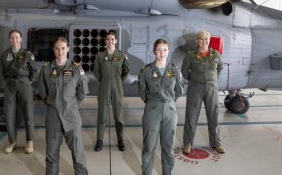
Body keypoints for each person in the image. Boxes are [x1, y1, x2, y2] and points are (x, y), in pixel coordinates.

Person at [38, 37, 89, 175]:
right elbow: (43, 92)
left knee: (78, 155)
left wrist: (71, 106)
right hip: (53, 118)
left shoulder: (76, 69)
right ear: (53, 50)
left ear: (68, 49)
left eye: (62, 48)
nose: (60, 51)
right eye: (57, 48)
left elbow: (82, 93)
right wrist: (53, 104)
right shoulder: (46, 69)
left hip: (72, 118)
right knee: (51, 156)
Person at [138, 38, 184, 175]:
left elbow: (179, 90)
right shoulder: (146, 71)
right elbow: (142, 91)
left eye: (164, 50)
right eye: (159, 50)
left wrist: (169, 101)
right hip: (152, 110)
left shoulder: (174, 70)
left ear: (168, 51)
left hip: (170, 112)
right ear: (154, 52)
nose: (161, 53)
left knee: (168, 148)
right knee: (148, 147)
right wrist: (153, 102)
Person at [181, 30, 225, 154]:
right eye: (201, 39)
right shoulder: (190, 55)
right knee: (191, 115)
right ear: (197, 41)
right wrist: (195, 80)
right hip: (195, 87)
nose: (204, 41)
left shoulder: (215, 54)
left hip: (211, 88)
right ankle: (187, 143)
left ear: (209, 40)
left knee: (213, 114)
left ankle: (216, 143)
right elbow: (185, 72)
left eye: (206, 39)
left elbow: (219, 68)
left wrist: (211, 79)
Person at [0, 29, 38, 154]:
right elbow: (3, 71)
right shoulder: (5, 54)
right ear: (9, 40)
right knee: (9, 114)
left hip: (24, 84)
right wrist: (9, 81)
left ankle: (29, 142)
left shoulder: (27, 54)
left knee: (28, 114)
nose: (14, 40)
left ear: (21, 39)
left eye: (17, 37)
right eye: (12, 37)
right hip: (10, 85)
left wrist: (28, 82)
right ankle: (12, 141)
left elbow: (34, 70)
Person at [93, 31, 130, 152]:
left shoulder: (122, 55)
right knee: (101, 115)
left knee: (118, 115)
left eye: (112, 39)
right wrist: (105, 80)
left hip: (117, 85)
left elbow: (126, 71)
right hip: (104, 85)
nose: (110, 41)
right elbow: (96, 72)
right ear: (105, 41)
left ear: (116, 41)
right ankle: (99, 140)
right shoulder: (99, 56)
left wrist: (117, 80)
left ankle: (120, 140)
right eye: (108, 39)